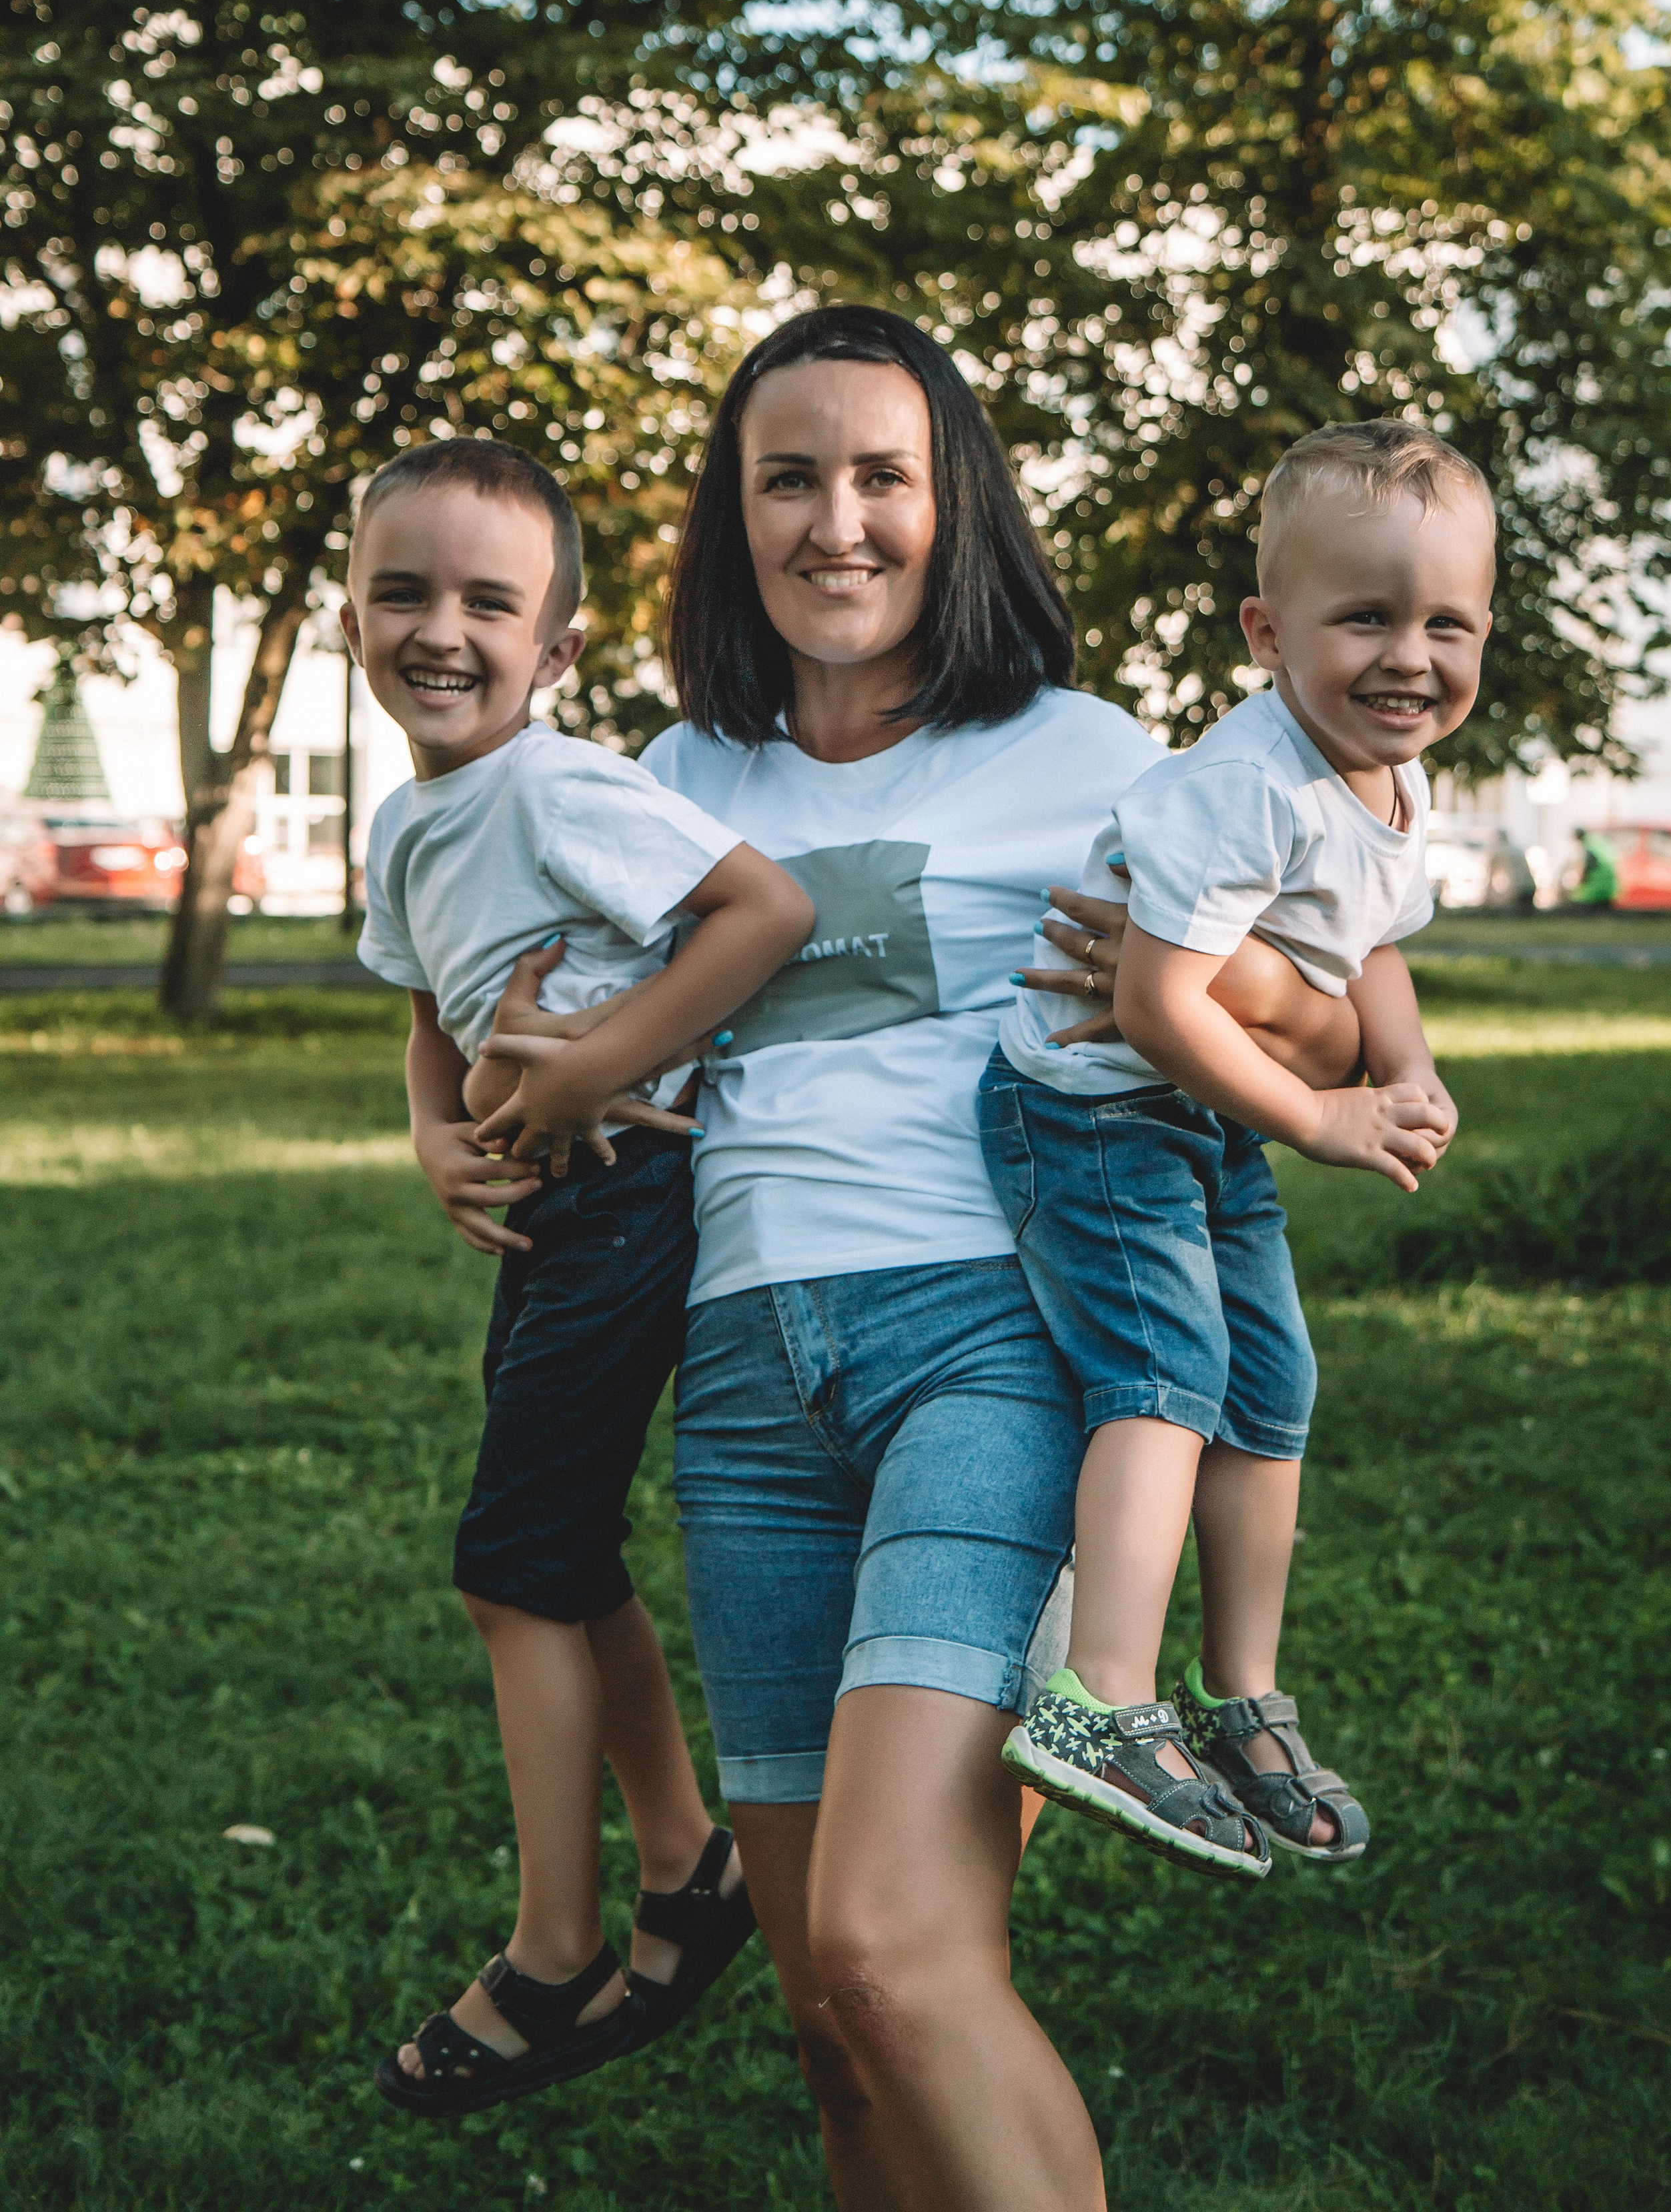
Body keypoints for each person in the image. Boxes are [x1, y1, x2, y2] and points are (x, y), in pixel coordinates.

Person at [495, 305, 1147, 2207]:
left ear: (960, 508)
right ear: (735, 513)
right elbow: (516, 1009)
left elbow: (1337, 1013)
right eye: (790, 478)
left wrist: (1222, 990)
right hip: (751, 1391)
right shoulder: (661, 778)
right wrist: (457, 1126)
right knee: (830, 2022)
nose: (835, 522)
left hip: (993, 1356)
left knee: (893, 1947)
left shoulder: (1088, 754)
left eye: (884, 477)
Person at [341, 437, 814, 2119]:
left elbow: (762, 908)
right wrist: (433, 1131)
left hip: (634, 1189)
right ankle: (687, 1862)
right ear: (349, 610)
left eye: (489, 601)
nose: (440, 630)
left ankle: (551, 1956)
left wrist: (585, 1060)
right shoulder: (409, 822)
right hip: (544, 1204)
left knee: (508, 1564)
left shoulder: (558, 785)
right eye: (402, 590)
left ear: (555, 651)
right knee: (551, 1549)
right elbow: (424, 1007)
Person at [993, 418, 1494, 1873]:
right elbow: (1152, 1004)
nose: (1409, 656)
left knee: (1270, 1386)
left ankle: (1237, 1695)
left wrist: (1398, 1064)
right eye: (1365, 617)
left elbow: (1368, 942)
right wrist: (1323, 1115)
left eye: (1444, 623)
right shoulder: (1240, 786)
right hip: (1088, 1110)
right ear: (1267, 632)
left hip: (1199, 1105)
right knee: (1165, 1374)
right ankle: (1097, 1694)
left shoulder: (1390, 779)